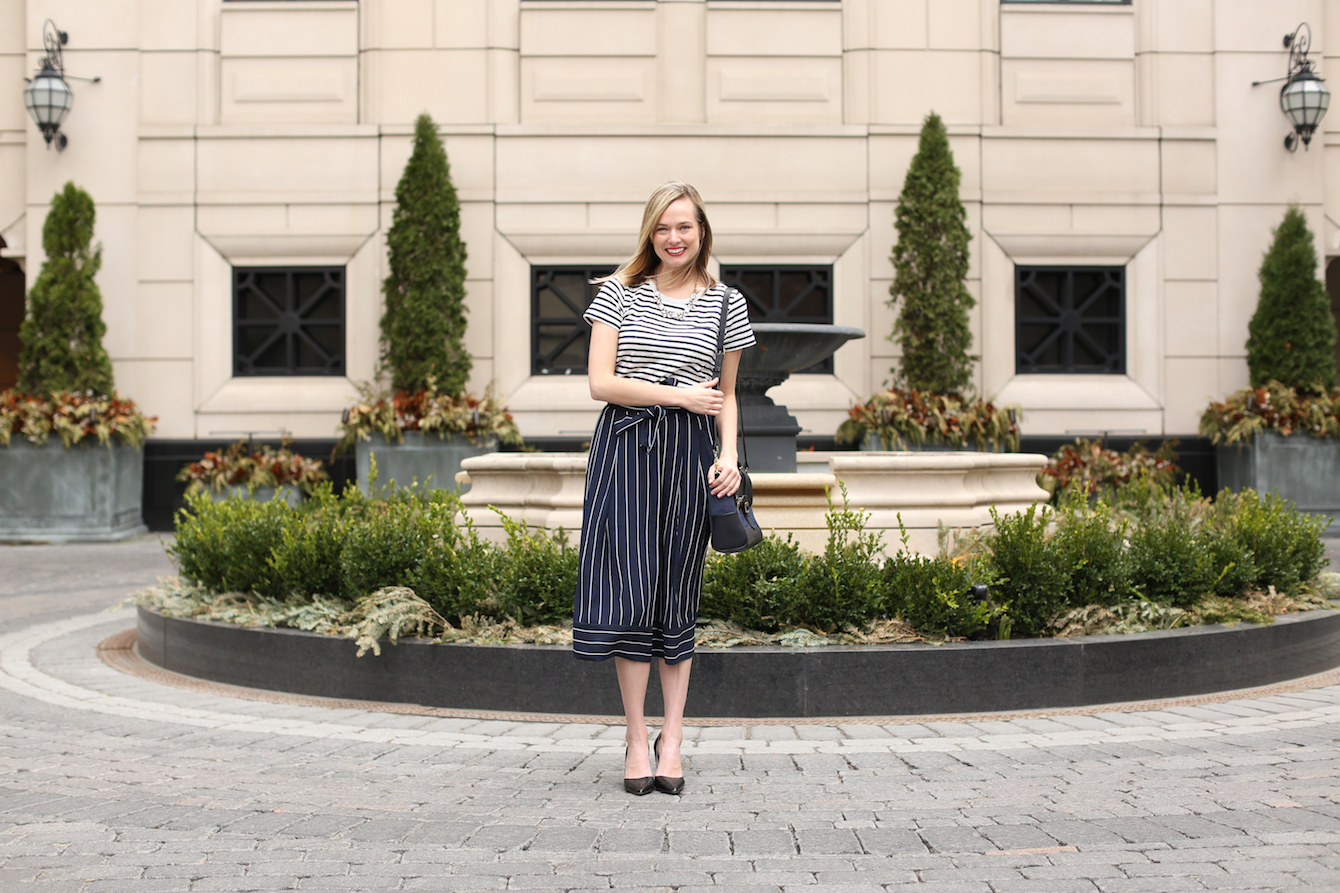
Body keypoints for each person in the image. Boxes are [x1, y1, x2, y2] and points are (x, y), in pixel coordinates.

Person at [574, 180, 755, 795]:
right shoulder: (618, 294)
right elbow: (601, 383)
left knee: (677, 592)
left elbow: (728, 394)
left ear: (702, 231)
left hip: (689, 457)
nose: (674, 238)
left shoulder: (728, 302)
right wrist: (677, 393)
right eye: (663, 228)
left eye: (685, 227)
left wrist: (729, 455)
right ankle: (634, 737)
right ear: (649, 234)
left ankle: (671, 739)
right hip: (626, 447)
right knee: (629, 592)